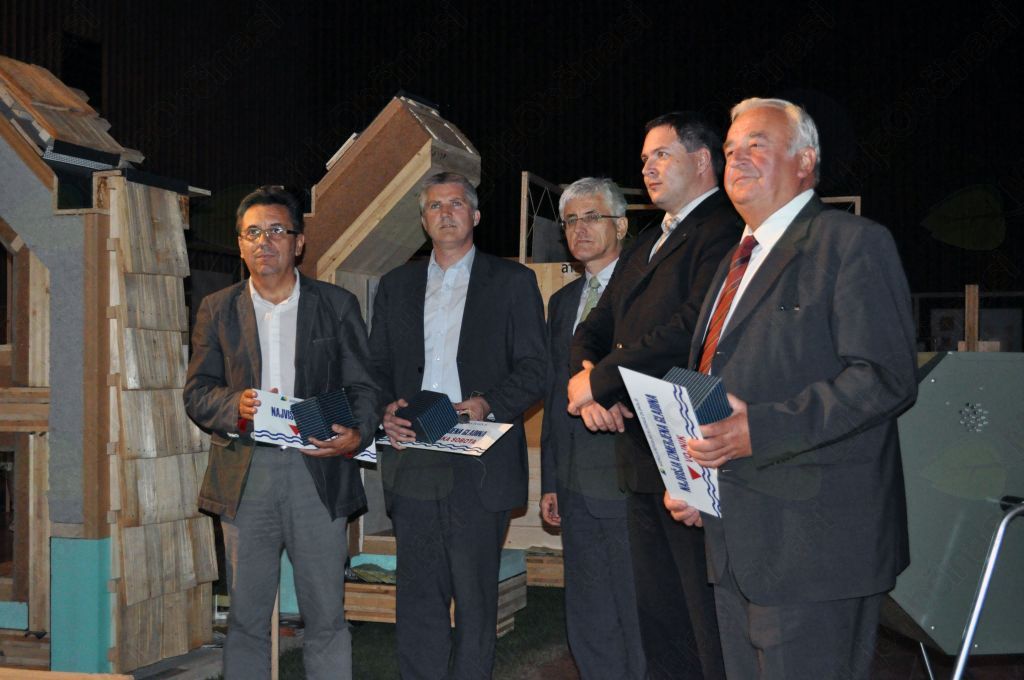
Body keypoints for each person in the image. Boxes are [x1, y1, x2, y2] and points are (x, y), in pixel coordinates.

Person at [666, 97, 917, 679]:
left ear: (805, 161)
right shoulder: (735, 261)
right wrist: (697, 480)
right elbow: (717, 384)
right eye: (730, 149)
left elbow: (884, 377)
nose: (736, 158)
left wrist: (759, 429)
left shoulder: (851, 242)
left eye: (756, 146)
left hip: (814, 547)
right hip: (736, 538)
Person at [567, 112, 741, 679]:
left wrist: (600, 382)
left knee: (704, 618)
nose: (647, 168)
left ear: (702, 160)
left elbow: (690, 328)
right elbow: (594, 325)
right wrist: (589, 383)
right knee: (660, 619)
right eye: (644, 159)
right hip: (641, 453)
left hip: (694, 447)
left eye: (661, 154)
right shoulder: (646, 242)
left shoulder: (725, 231)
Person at [184, 186, 380, 679]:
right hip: (246, 474)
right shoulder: (217, 308)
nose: (263, 241)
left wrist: (357, 434)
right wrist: (234, 405)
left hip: (317, 471)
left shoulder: (336, 305)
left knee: (326, 615)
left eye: (276, 230)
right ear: (240, 243)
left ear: (299, 242)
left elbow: (363, 387)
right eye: (252, 232)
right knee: (246, 618)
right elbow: (197, 392)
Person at [369, 171, 547, 679]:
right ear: (423, 221)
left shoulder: (513, 282)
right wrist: (383, 409)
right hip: (413, 454)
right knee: (418, 597)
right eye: (434, 206)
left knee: (474, 598)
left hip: (480, 457)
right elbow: (374, 366)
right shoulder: (395, 285)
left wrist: (488, 403)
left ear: (475, 215)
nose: (445, 213)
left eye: (455, 204)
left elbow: (536, 367)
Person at [540, 177, 646, 679]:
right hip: (575, 483)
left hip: (631, 479)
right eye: (570, 221)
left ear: (620, 225)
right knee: (588, 612)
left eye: (592, 217)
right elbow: (553, 392)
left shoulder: (647, 291)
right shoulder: (563, 302)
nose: (579, 229)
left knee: (637, 610)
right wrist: (551, 482)